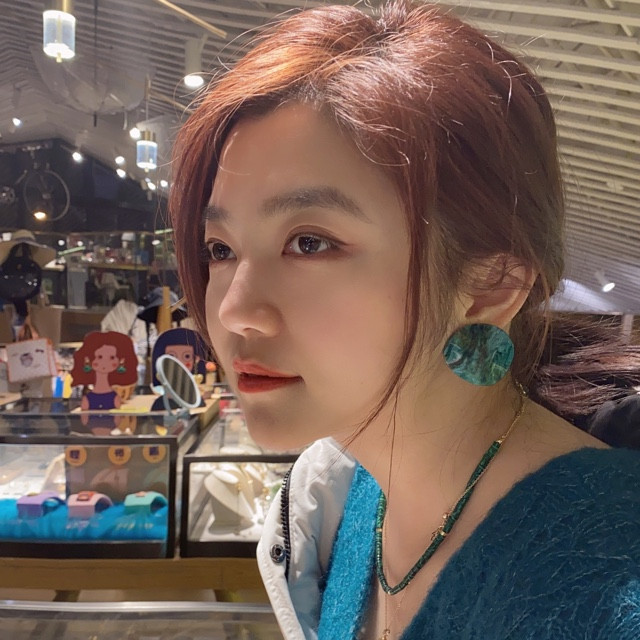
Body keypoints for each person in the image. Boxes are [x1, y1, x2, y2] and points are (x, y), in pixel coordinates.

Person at [169, 2, 640, 638]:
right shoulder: (357, 497)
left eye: (309, 242)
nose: (233, 311)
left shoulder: (610, 580)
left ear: (490, 287)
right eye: (220, 249)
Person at [70, 330, 138, 411]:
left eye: (112, 357)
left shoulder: (115, 399)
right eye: (99, 357)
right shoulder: (87, 400)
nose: (105, 362)